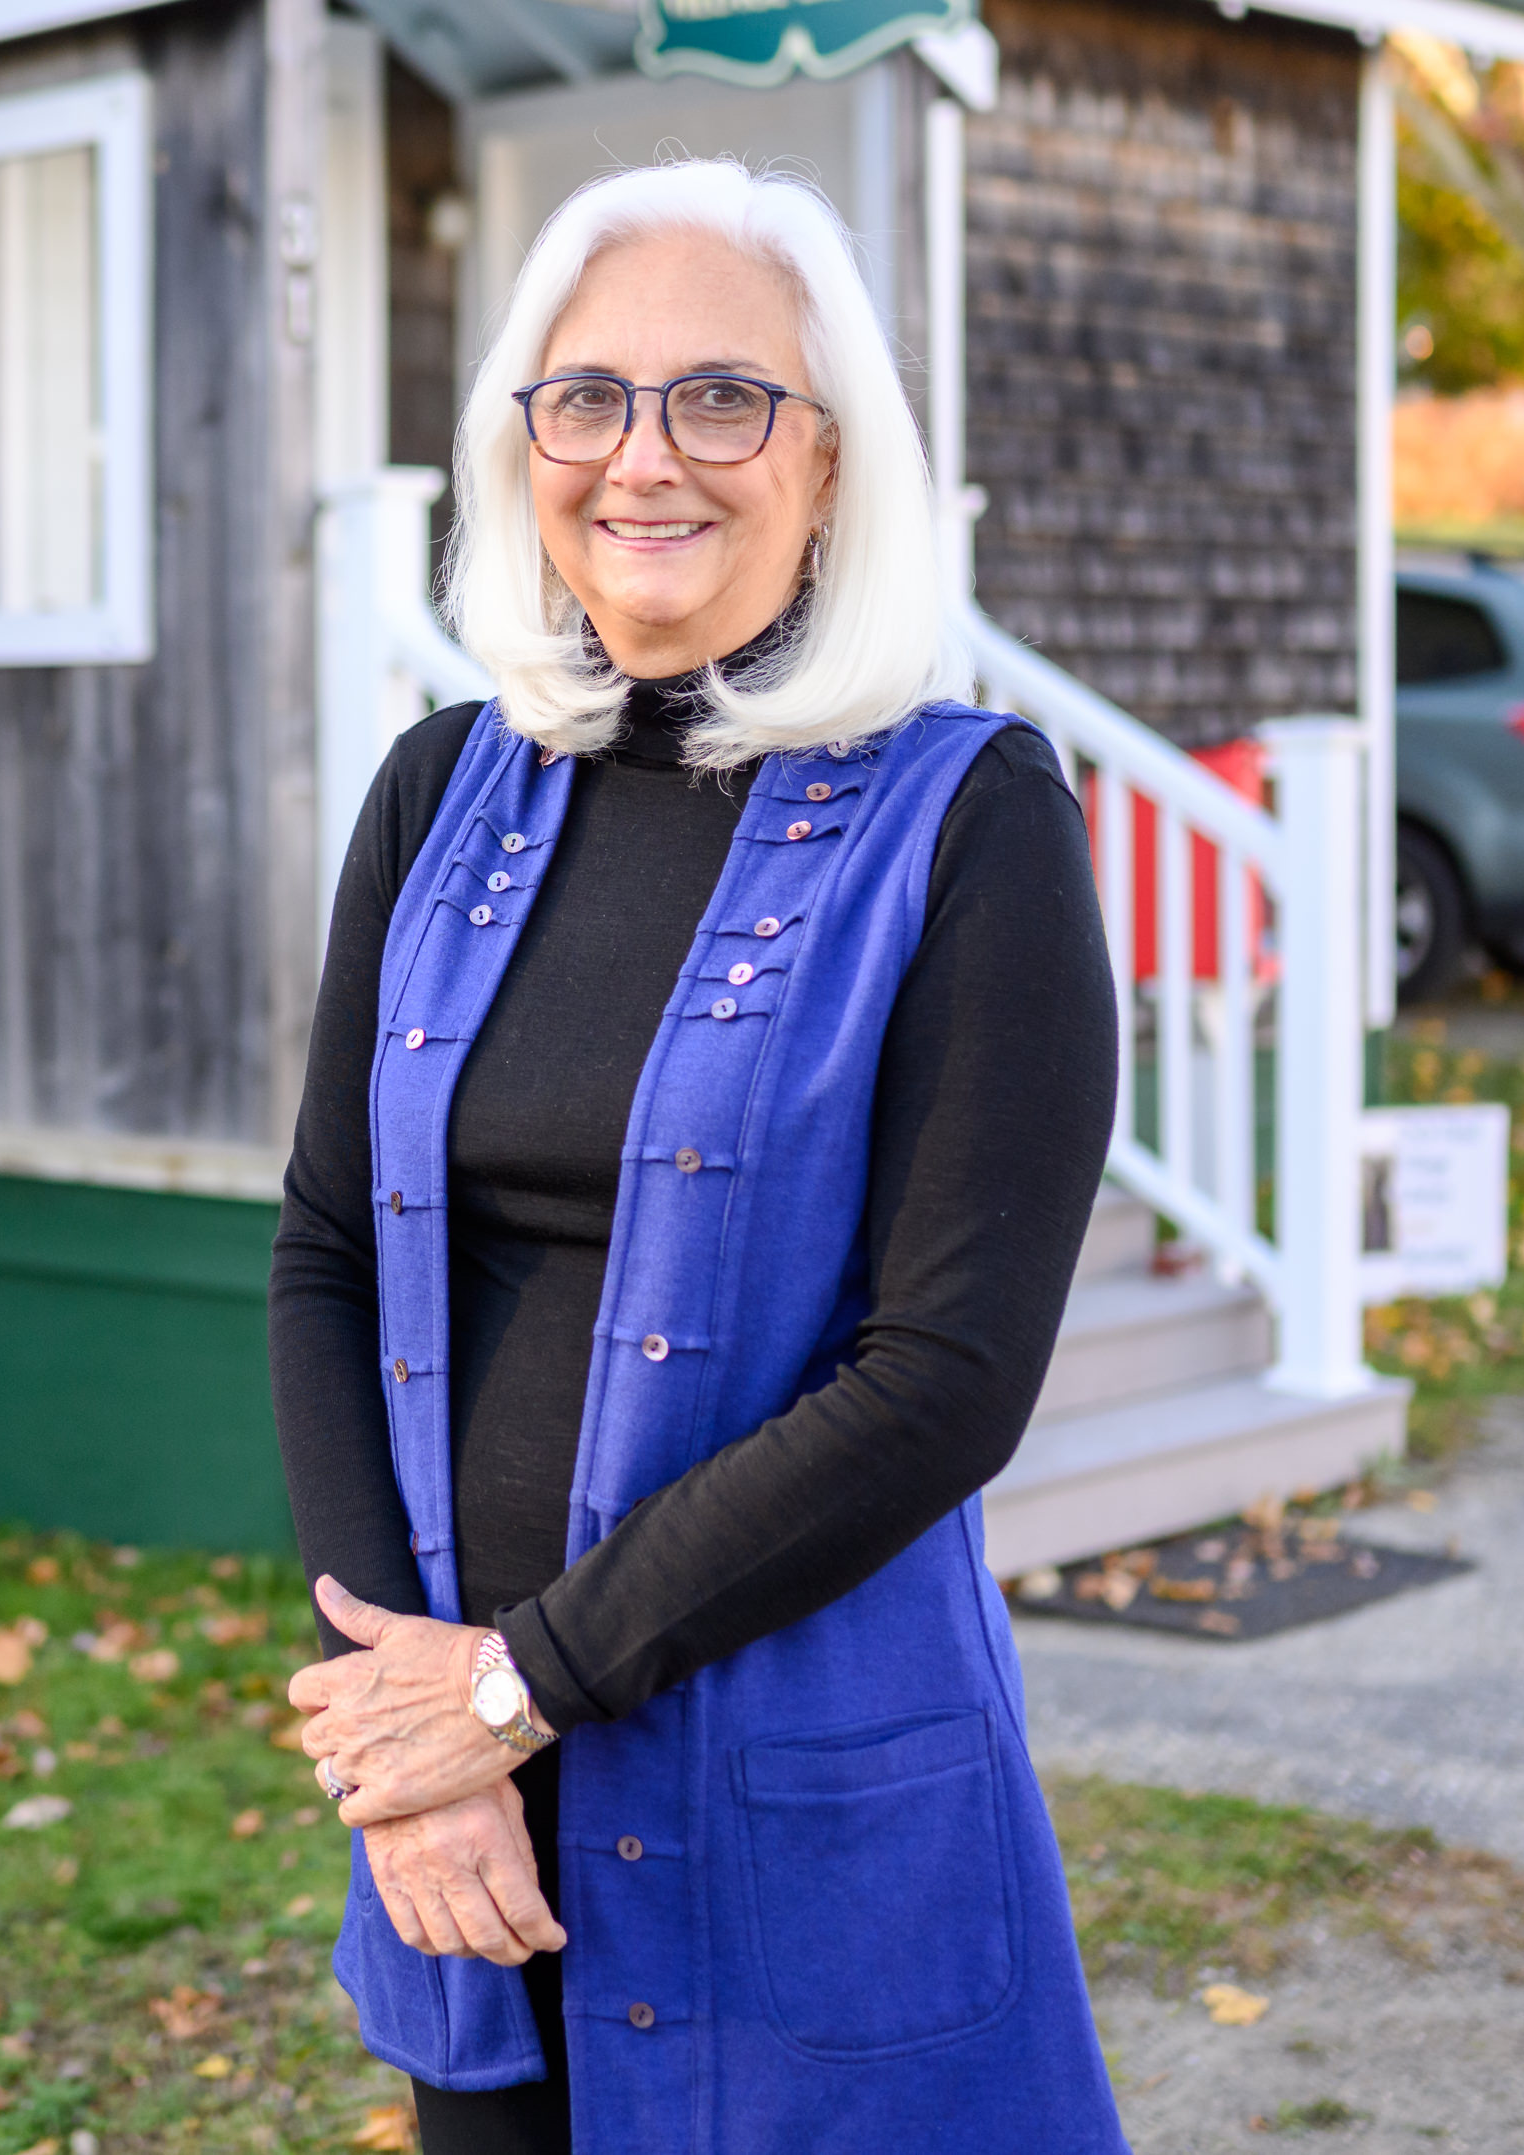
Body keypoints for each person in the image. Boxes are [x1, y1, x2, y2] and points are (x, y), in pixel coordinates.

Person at [270, 160, 1128, 2152]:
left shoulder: (969, 821)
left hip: (790, 1786)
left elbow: (942, 1379)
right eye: (586, 395)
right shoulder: (437, 792)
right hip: (458, 1811)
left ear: (830, 464)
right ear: (521, 445)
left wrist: (515, 1686)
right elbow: (324, 1243)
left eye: (720, 396)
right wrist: (412, 1735)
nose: (642, 455)